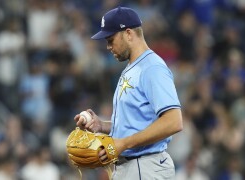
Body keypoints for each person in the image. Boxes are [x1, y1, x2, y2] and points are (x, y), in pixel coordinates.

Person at [74, 6, 183, 179]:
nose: (108, 46)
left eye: (111, 39)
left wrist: (123, 144)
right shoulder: (132, 67)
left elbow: (174, 121)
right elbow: (137, 121)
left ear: (129, 34)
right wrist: (102, 126)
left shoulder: (152, 68)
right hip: (132, 166)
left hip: (144, 166)